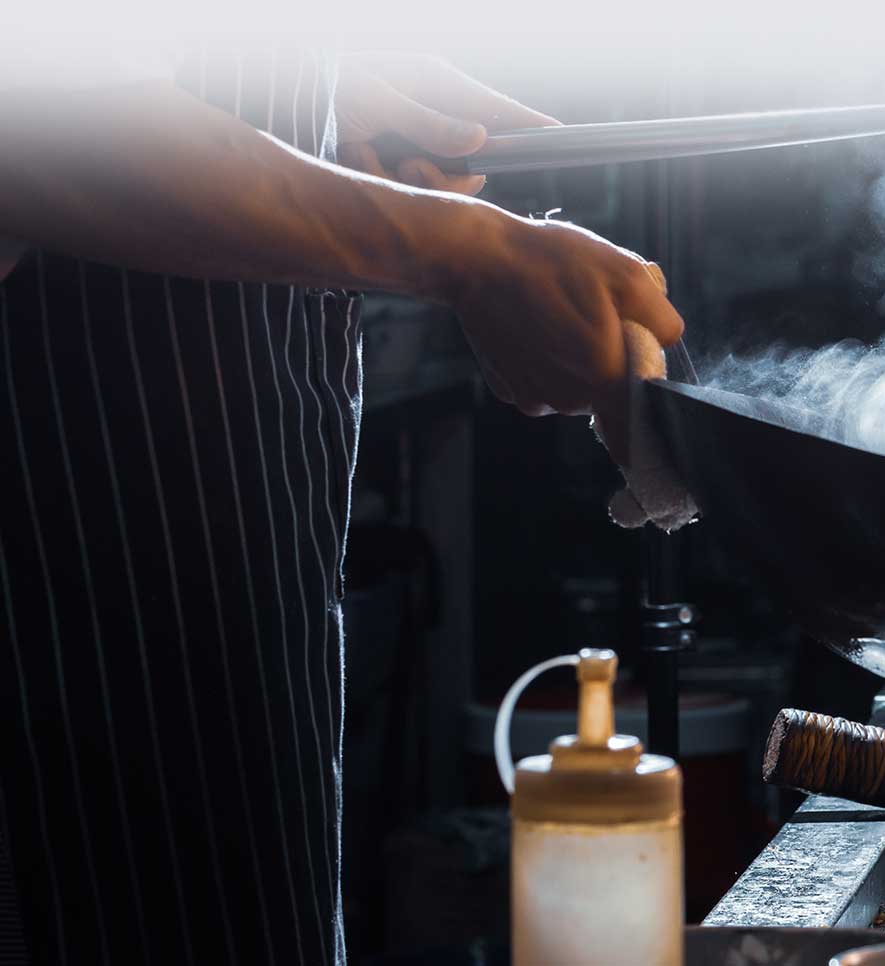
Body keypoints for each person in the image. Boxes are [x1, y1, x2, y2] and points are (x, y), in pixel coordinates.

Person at [0, 38, 682, 963]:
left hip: (236, 500)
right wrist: (462, 252)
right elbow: (38, 122)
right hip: (67, 500)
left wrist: (312, 100)